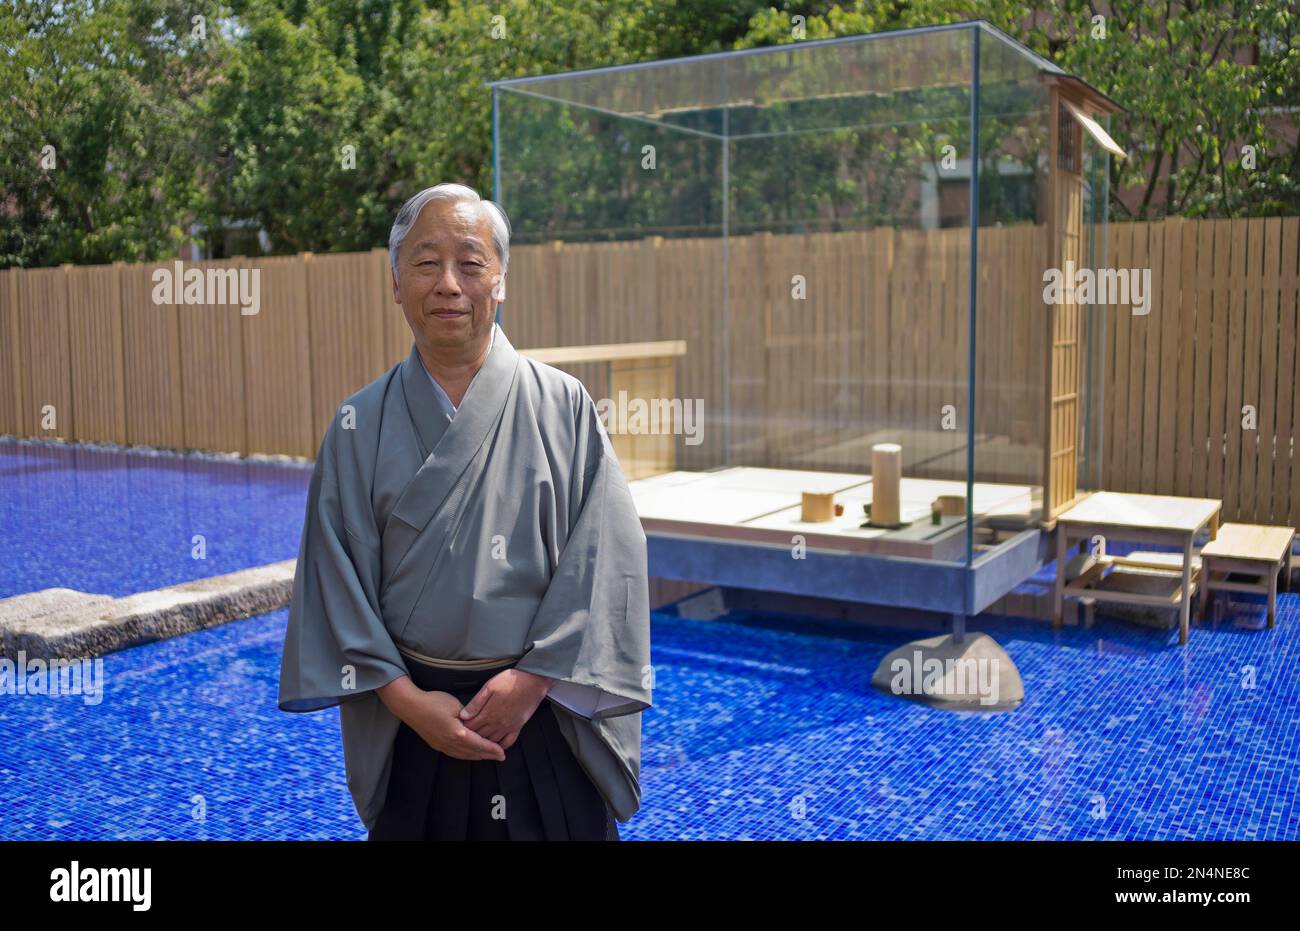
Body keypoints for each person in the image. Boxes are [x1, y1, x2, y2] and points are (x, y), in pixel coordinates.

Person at [277, 183, 652, 841]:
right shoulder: (358, 424)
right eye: (426, 262)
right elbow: (334, 581)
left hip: (543, 720)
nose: (448, 283)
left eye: (470, 263)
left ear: (500, 281)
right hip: (415, 719)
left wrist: (532, 680)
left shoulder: (562, 407)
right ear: (395, 282)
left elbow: (607, 558)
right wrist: (405, 701)